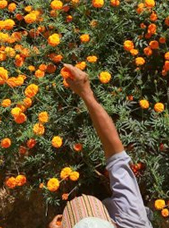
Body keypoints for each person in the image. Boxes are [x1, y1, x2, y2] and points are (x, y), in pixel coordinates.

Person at [48, 63, 153, 228]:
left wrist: (85, 92)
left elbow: (115, 154)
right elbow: (115, 153)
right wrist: (86, 93)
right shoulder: (134, 220)